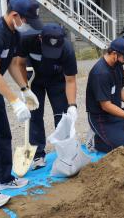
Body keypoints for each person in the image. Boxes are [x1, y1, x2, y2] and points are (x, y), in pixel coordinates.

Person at [0, 0, 42, 208]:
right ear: (15, 15)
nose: (27, 25)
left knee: (4, 134)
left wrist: (24, 89)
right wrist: (14, 100)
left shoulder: (13, 34)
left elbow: (13, 63)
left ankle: (5, 179)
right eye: (26, 20)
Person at [16, 23, 78, 170]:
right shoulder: (27, 40)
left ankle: (65, 152)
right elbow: (20, 64)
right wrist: (24, 88)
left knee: (62, 115)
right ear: (39, 38)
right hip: (35, 80)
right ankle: (38, 154)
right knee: (35, 115)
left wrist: (72, 105)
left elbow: (70, 80)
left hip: (57, 80)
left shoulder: (67, 49)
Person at [86, 38, 124, 153]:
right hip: (101, 118)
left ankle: (103, 138)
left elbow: (119, 90)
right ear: (114, 54)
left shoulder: (117, 65)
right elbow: (106, 106)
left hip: (115, 113)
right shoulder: (100, 73)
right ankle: (96, 141)